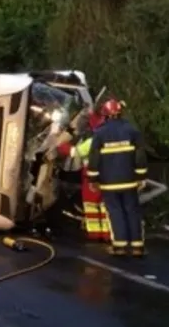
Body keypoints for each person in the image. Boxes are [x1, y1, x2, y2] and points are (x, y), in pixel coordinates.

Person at [86, 98, 148, 257]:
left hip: (108, 183)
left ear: (105, 114)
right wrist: (141, 177)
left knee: (115, 212)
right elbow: (140, 156)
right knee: (132, 211)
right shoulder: (132, 130)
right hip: (129, 181)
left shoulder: (99, 133)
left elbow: (94, 158)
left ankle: (119, 246)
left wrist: (93, 179)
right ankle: (137, 247)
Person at [57, 110, 109, 241]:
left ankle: (95, 233)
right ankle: (107, 233)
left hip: (91, 177)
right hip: (108, 177)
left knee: (91, 205)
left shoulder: (92, 142)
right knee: (104, 206)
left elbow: (76, 152)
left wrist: (63, 147)